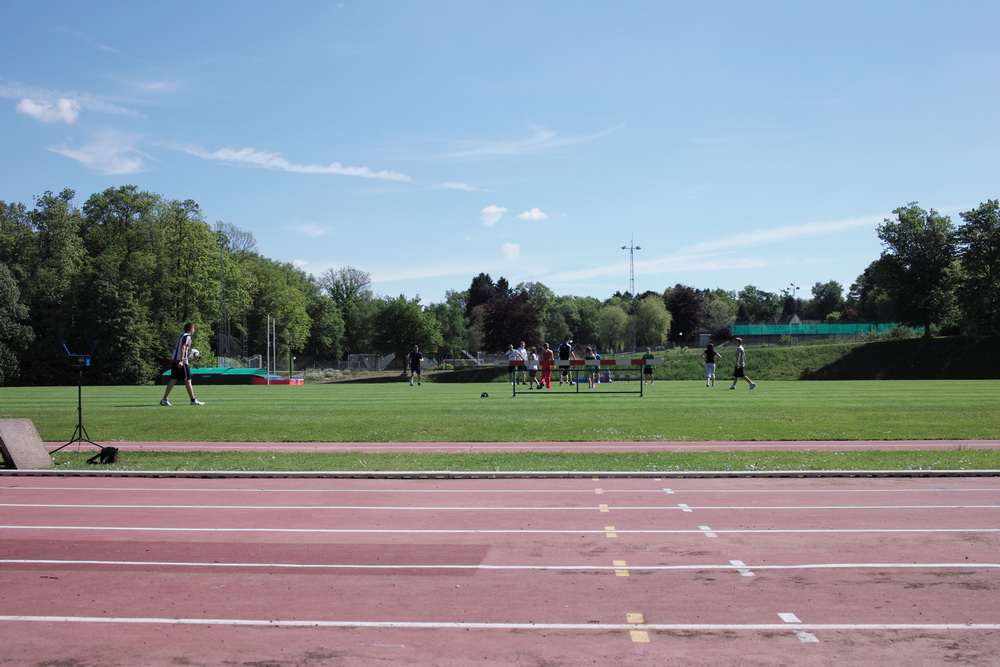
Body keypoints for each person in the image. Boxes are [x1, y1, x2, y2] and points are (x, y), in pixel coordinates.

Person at [160, 323, 204, 406]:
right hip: (180, 361)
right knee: (188, 379)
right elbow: (183, 347)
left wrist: (187, 357)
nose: (194, 330)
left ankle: (164, 399)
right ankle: (193, 400)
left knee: (173, 379)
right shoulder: (187, 336)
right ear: (191, 329)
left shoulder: (181, 335)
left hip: (175, 360)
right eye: (194, 328)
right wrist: (182, 360)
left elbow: (179, 348)